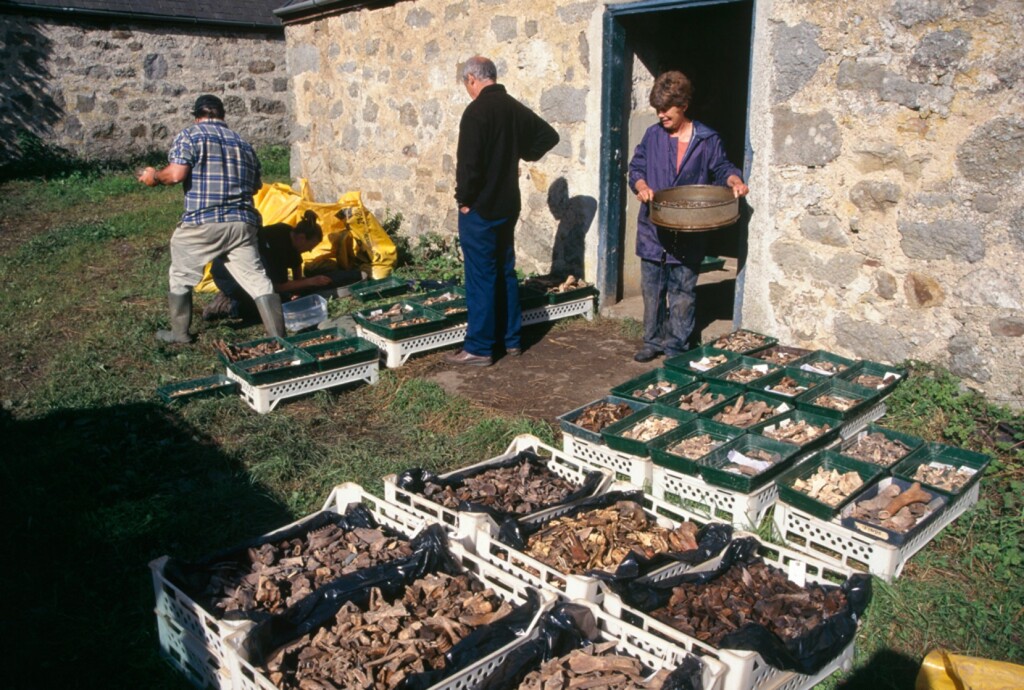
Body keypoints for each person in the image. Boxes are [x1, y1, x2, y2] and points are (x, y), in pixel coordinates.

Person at [137, 94, 284, 343]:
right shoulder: (243, 144)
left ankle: (180, 334)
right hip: (242, 224)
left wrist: (154, 176)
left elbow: (176, 174)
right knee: (257, 280)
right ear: (223, 115)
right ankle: (278, 336)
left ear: (197, 117)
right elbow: (256, 186)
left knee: (181, 276)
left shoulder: (190, 135)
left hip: (204, 221)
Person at [628, 71, 749, 363]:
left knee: (683, 288)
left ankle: (676, 345)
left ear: (682, 106)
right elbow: (637, 166)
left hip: (688, 228)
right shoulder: (653, 135)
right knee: (652, 288)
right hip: (654, 226)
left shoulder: (706, 139)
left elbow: (721, 167)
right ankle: (651, 340)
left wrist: (734, 180)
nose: (661, 115)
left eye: (666, 110)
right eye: (657, 110)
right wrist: (641, 185)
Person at [447, 56, 560, 367]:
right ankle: (512, 340)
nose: (468, 89)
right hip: (508, 204)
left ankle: (480, 347)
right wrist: (525, 152)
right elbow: (549, 136)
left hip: (481, 207)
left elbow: (468, 166)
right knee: (505, 271)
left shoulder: (476, 112)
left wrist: (464, 199)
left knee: (481, 276)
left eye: (466, 84)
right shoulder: (513, 108)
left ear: (472, 79)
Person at [203, 210, 333, 322]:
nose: (309, 251)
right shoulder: (276, 247)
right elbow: (277, 286)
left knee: (284, 299)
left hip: (238, 270)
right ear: (302, 238)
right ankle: (229, 306)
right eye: (310, 248)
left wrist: (298, 286)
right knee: (270, 307)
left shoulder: (288, 233)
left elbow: (296, 262)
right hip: (230, 276)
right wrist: (310, 282)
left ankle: (235, 296)